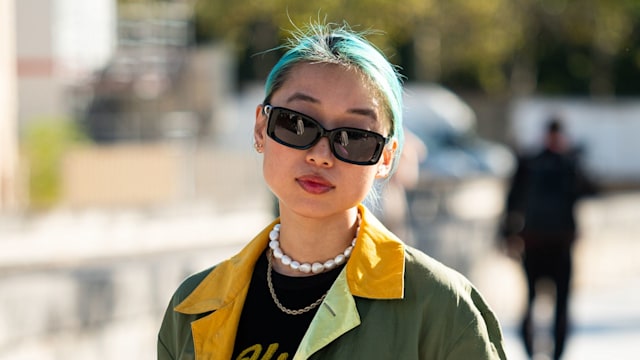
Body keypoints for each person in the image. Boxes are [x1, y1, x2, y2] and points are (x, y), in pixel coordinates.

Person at [158, 22, 507, 360]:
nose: (320, 155)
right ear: (262, 128)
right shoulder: (193, 307)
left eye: (355, 137)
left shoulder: (444, 309)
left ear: (386, 158)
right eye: (296, 124)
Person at [502, 117, 597, 359]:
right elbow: (514, 200)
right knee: (536, 303)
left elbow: (590, 190)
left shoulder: (558, 163)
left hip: (554, 244)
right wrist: (507, 234)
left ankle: (552, 355)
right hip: (540, 244)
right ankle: (536, 353)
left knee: (557, 306)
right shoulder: (541, 163)